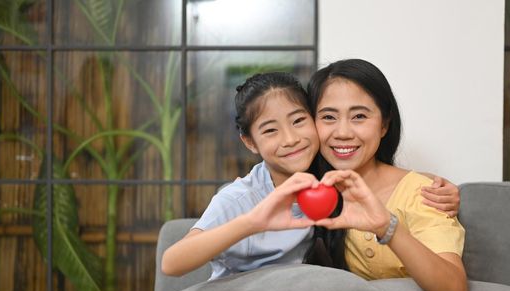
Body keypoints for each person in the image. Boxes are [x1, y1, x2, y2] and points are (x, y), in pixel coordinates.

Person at [161, 71, 460, 280]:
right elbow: (172, 263)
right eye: (270, 130)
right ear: (250, 142)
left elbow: (371, 172)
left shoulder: (319, 178)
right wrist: (253, 222)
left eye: (299, 121)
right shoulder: (241, 197)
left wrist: (425, 181)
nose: (290, 139)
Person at [307, 59, 468, 291]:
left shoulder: (420, 193)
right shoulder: (306, 189)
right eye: (328, 117)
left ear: (384, 125)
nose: (342, 132)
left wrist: (387, 227)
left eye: (359, 116)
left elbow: (454, 290)